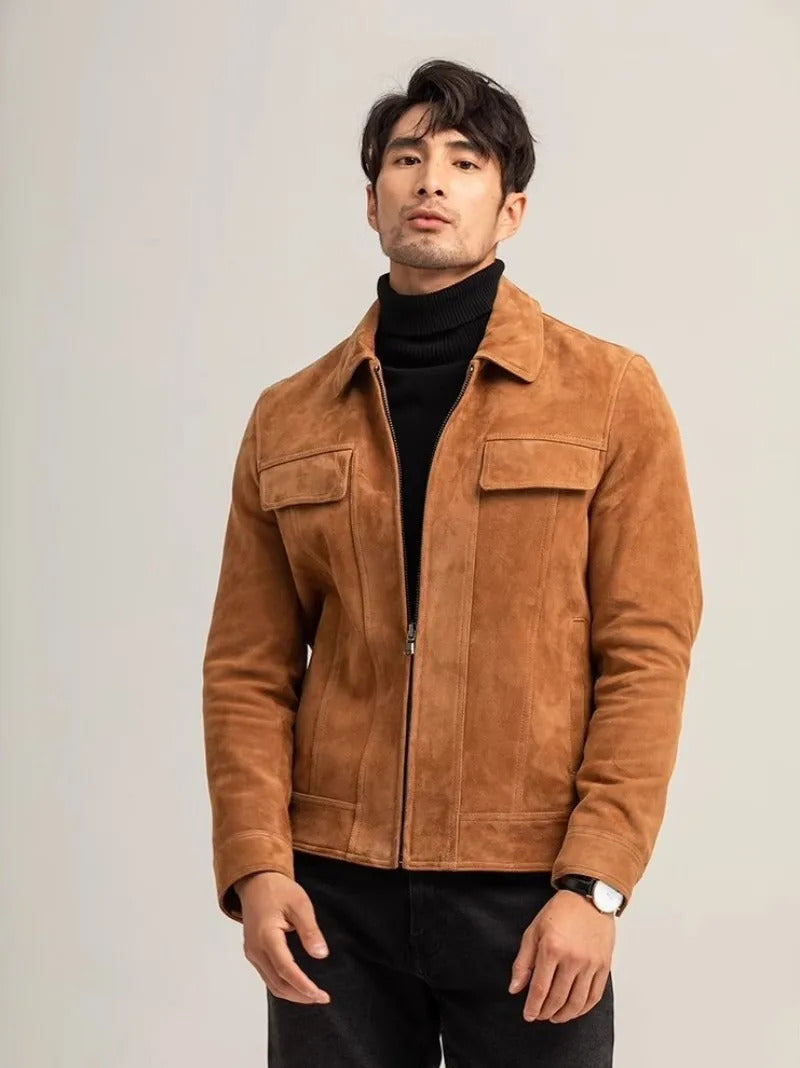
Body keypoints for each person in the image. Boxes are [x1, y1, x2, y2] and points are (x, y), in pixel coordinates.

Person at [202, 57, 703, 1067]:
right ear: (371, 200)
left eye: (465, 162)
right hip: (329, 902)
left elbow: (646, 654)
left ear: (510, 209)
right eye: (406, 158)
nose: (430, 179)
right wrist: (256, 865)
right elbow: (247, 668)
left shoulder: (609, 394)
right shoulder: (289, 417)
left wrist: (596, 885)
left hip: (529, 896)